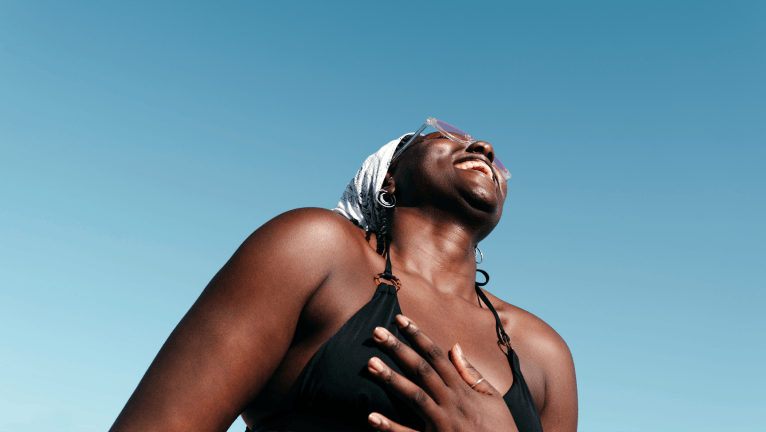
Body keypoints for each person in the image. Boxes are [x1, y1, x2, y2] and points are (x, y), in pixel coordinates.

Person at [109, 118, 578, 432]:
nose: (483, 148)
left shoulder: (542, 352)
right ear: (388, 179)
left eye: (495, 161)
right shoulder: (317, 251)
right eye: (442, 134)